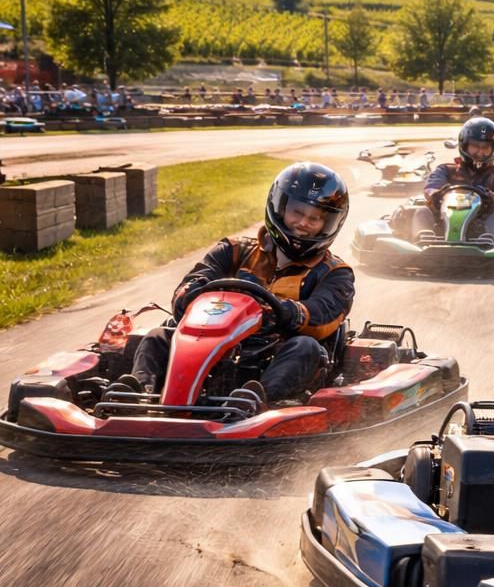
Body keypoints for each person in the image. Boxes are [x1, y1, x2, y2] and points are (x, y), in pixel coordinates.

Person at [107, 163, 353, 413]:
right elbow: (190, 286)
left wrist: (277, 311)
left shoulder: (335, 273)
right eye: (297, 212)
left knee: (306, 347)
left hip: (276, 354)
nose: (302, 223)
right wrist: (192, 297)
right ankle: (139, 396)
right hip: (213, 342)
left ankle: (255, 403)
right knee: (157, 337)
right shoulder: (233, 250)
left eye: (314, 219)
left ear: (330, 224)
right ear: (280, 207)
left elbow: (322, 315)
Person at [411, 117, 494, 244]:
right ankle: (423, 242)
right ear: (464, 146)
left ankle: (490, 247)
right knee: (422, 210)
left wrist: (491, 198)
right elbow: (431, 187)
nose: (480, 152)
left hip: (482, 226)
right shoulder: (445, 169)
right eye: (475, 146)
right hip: (443, 222)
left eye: (485, 148)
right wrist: (436, 194)